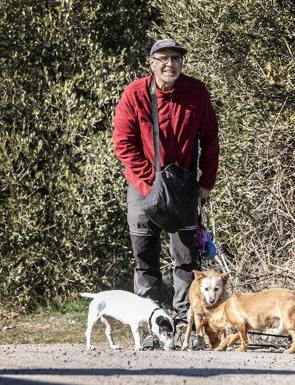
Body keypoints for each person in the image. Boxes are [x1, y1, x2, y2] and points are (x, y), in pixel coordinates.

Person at [112, 38, 219, 347]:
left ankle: (187, 325)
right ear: (151, 63)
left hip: (185, 187)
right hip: (143, 186)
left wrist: (206, 183)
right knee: (144, 259)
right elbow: (123, 143)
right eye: (162, 58)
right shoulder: (134, 94)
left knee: (187, 260)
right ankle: (151, 326)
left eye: (175, 58)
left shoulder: (196, 92)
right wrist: (150, 185)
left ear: (181, 63)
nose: (169, 63)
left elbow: (210, 140)